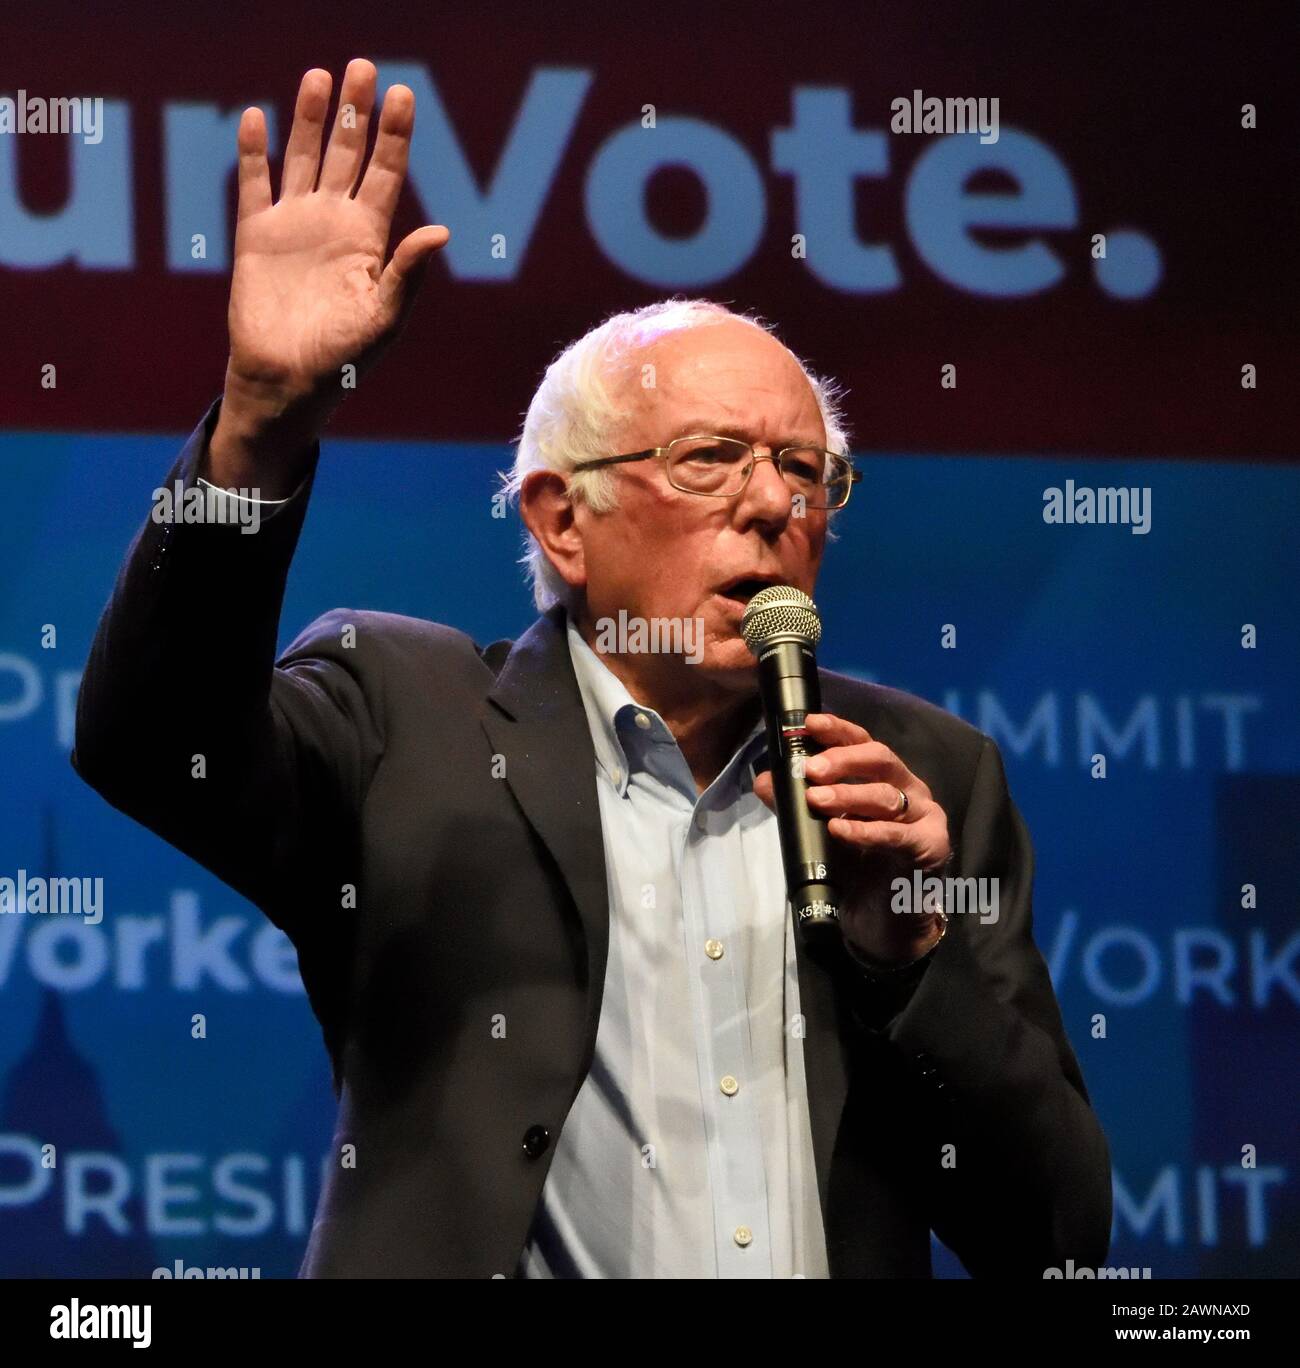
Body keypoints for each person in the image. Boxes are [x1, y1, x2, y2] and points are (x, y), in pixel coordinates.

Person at [73, 59, 1111, 1278]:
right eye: (715, 457)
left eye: (807, 471)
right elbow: (152, 742)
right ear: (564, 523)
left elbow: (1055, 1239)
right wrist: (259, 425)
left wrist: (908, 957)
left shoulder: (919, 783)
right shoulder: (407, 718)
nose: (775, 504)